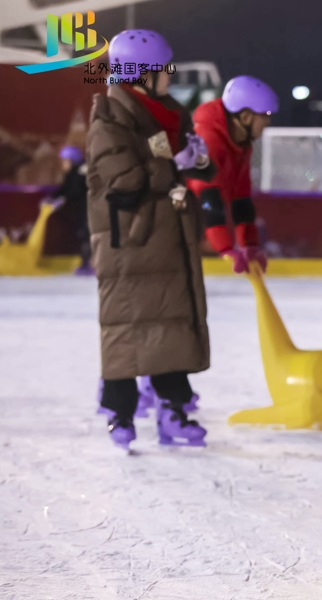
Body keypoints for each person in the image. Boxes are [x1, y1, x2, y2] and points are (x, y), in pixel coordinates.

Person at [86, 29, 214, 451]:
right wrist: (172, 162)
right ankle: (120, 413)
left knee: (171, 327)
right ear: (141, 73)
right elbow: (124, 181)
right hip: (129, 240)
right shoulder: (109, 118)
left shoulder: (168, 114)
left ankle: (173, 411)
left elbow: (186, 167)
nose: (170, 76)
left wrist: (198, 159)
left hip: (167, 236)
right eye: (165, 69)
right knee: (126, 328)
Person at [187, 75, 278, 274]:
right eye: (265, 115)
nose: (268, 122)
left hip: (192, 222)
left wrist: (249, 246)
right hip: (174, 218)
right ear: (245, 116)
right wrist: (225, 249)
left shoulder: (242, 146)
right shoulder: (207, 139)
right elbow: (207, 198)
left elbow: (241, 198)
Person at [51, 145, 91, 275]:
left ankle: (88, 264)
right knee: (84, 235)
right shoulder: (72, 174)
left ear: (73, 161)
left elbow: (76, 190)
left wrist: (63, 199)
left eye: (65, 161)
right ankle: (85, 264)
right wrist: (51, 198)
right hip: (82, 210)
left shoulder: (82, 172)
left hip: (90, 210)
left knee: (87, 235)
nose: (63, 164)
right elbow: (65, 188)